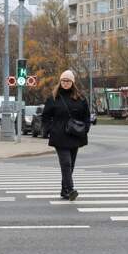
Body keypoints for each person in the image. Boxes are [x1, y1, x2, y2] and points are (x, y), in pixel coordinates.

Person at [42, 70, 90, 201]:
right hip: (59, 135)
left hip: (75, 135)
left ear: (73, 82)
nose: (65, 83)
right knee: (66, 163)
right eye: (63, 80)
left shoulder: (80, 98)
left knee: (71, 164)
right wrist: (49, 130)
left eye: (68, 81)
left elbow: (86, 116)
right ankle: (71, 189)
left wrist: (85, 128)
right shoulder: (53, 97)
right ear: (60, 81)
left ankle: (64, 191)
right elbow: (45, 116)